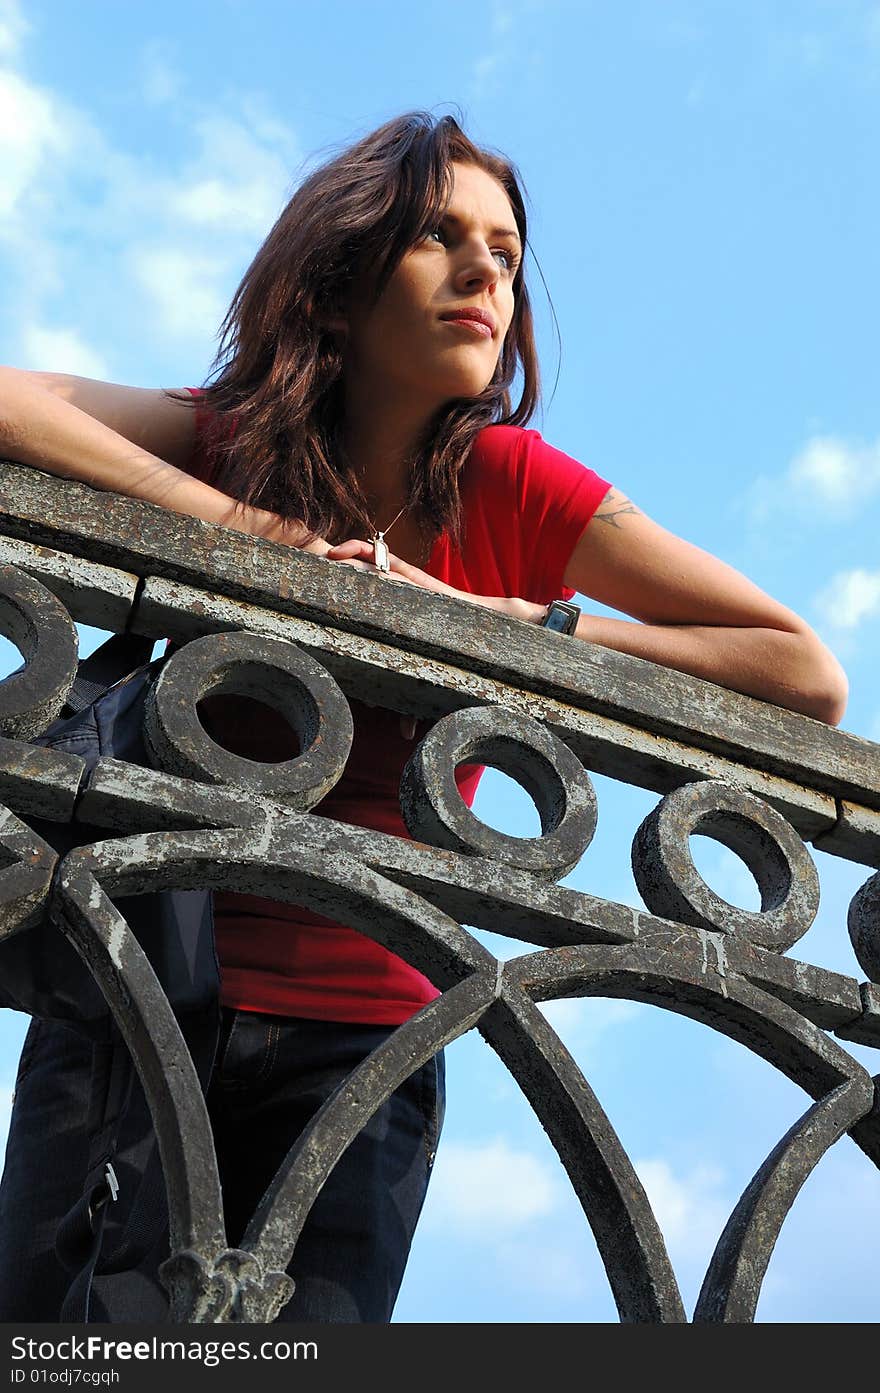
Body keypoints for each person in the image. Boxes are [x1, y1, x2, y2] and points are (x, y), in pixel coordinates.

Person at [0, 112, 848, 1323]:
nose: (483, 276)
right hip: (136, 985)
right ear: (340, 287)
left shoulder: (509, 479)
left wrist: (514, 616)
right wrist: (263, 543)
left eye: (503, 253)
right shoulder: (235, 438)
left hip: (368, 1042)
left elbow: (802, 670)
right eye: (439, 237)